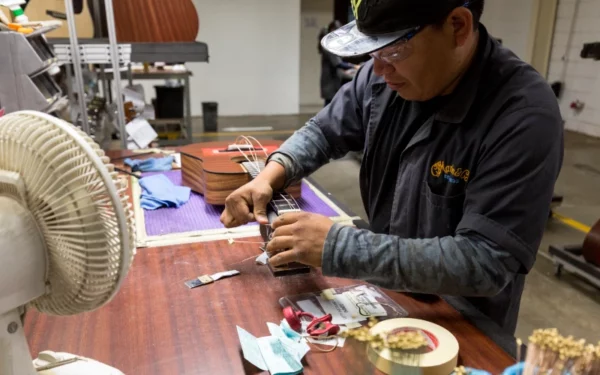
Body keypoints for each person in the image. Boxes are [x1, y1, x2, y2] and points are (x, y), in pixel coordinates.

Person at [220, 0, 563, 334]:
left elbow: (485, 260)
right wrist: (272, 173)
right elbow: (324, 130)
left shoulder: (524, 115)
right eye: (373, 52)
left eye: (394, 50)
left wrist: (339, 248)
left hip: (461, 319)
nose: (379, 71)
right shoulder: (381, 77)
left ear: (458, 26)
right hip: (385, 294)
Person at [318, 21, 359, 106]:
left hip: (331, 81)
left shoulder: (329, 46)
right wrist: (354, 66)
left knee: (331, 105)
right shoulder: (328, 47)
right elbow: (338, 63)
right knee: (330, 106)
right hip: (330, 83)